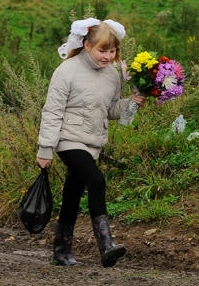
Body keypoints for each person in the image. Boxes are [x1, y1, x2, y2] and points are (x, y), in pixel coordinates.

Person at [36, 18, 145, 268]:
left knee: (73, 193)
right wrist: (45, 149)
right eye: (102, 50)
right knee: (96, 180)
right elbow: (52, 111)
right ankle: (106, 246)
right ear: (86, 45)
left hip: (93, 142)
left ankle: (61, 251)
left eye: (112, 50)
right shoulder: (67, 71)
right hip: (67, 139)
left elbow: (112, 110)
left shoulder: (112, 74)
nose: (108, 56)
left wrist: (133, 103)